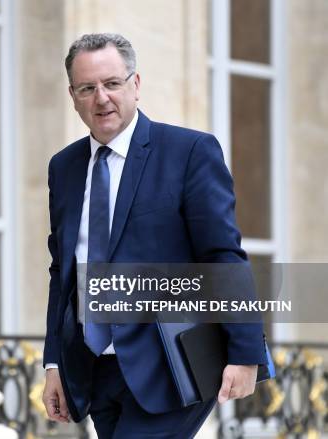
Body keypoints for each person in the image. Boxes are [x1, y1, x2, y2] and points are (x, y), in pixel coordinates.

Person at [41, 33, 268, 438]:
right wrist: (54, 362)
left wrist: (246, 353)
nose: (102, 98)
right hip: (95, 368)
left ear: (136, 84)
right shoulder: (64, 168)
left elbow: (222, 256)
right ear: (73, 95)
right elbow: (63, 272)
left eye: (112, 83)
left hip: (172, 363)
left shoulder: (189, 152)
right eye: (87, 88)